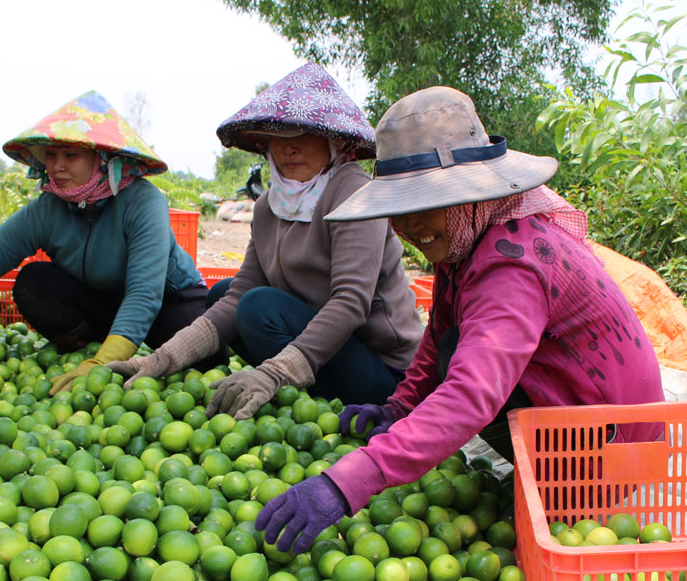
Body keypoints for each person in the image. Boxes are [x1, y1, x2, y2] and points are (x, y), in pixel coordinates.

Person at [255, 86, 665, 553]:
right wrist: (399, 407)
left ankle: (571, 502)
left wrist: (344, 483)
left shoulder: (513, 262)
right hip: (584, 421)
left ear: (473, 194)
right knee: (454, 346)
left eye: (427, 204)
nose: (409, 228)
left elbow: (472, 392)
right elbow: (440, 332)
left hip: (616, 450)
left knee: (463, 366)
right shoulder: (470, 236)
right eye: (399, 211)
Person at [109, 63, 424, 418]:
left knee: (260, 308)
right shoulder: (269, 207)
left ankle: (304, 395)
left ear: (334, 141)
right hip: (325, 351)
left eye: (304, 135)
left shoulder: (354, 194)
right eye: (280, 138)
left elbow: (350, 302)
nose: (289, 149)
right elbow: (240, 293)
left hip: (386, 372)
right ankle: (295, 396)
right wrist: (161, 359)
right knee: (224, 294)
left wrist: (274, 373)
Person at [0, 91, 210, 388]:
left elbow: (144, 294)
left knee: (204, 356)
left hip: (168, 301)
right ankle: (88, 350)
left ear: (101, 158)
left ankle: (112, 350)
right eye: (51, 154)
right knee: (35, 282)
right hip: (104, 303)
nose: (57, 166)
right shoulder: (49, 208)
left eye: (71, 155)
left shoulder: (143, 201)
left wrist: (104, 364)